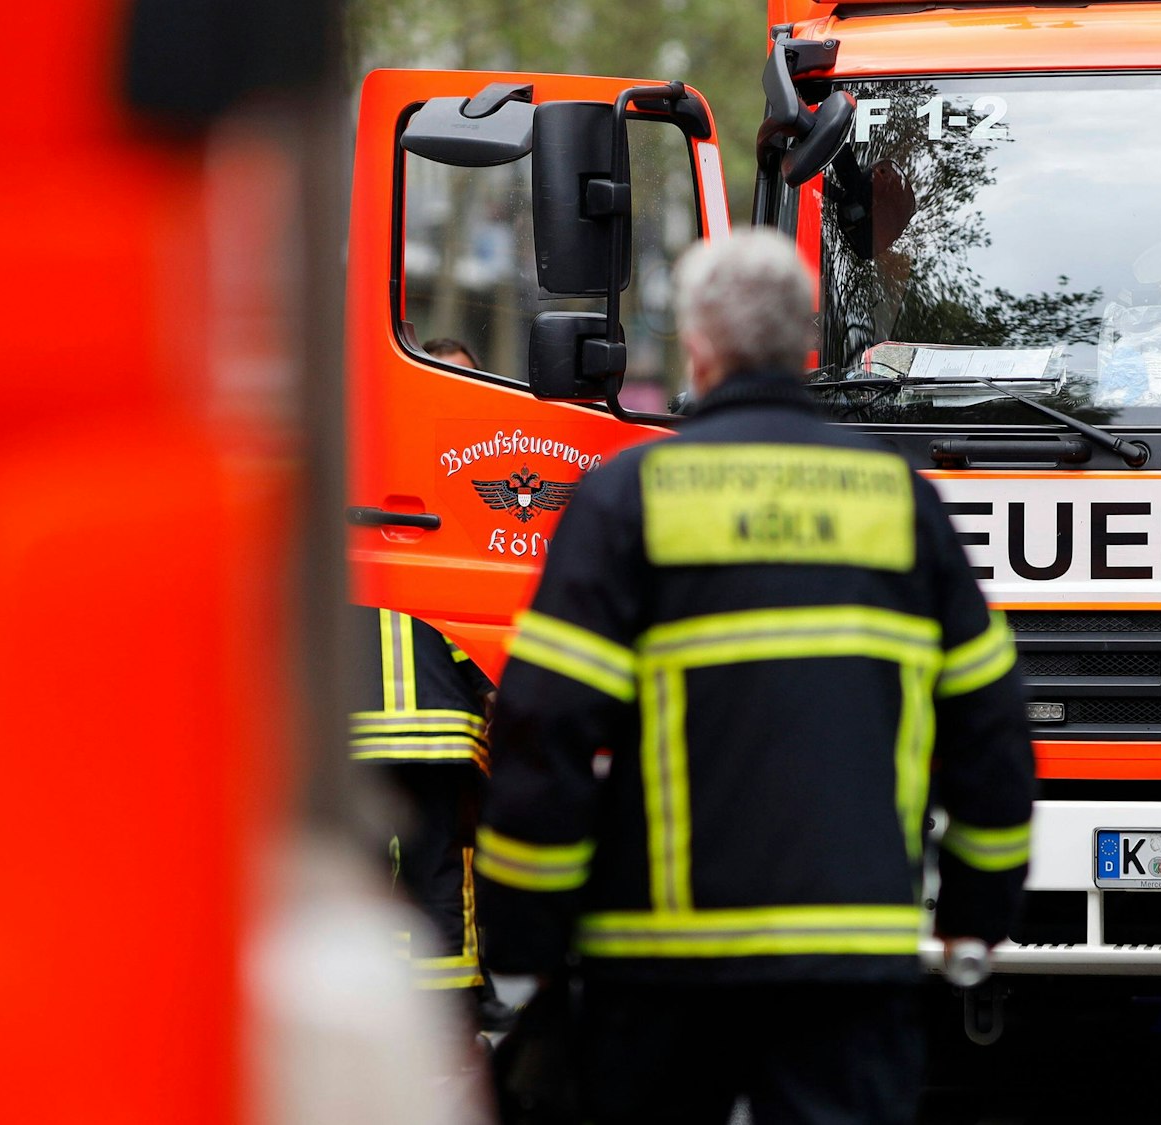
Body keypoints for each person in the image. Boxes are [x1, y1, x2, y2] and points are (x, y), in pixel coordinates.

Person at [474, 230, 1035, 1125]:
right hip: (850, 956)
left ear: (698, 344)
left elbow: (544, 730)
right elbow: (991, 728)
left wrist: (524, 940)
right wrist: (977, 911)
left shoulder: (629, 497)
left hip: (657, 961)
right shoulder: (900, 500)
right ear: (801, 340)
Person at [348, 603, 512, 1032]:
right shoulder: (432, 554)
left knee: (365, 877)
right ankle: (453, 1006)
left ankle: (372, 1001)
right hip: (441, 732)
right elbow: (468, 634)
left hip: (355, 733)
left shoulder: (341, 548)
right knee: (442, 871)